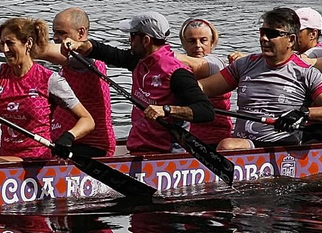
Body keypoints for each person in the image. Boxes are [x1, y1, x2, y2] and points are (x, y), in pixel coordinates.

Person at [0, 17, 93, 163]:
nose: (5, 49)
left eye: (10, 43)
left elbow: (87, 120)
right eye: (2, 44)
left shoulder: (50, 80)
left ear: (28, 43)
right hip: (8, 158)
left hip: (37, 158)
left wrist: (68, 137)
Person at [197, 7, 322, 149]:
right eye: (262, 32)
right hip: (244, 143)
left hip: (280, 145)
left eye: (272, 34)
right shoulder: (245, 64)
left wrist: (303, 113)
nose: (264, 38)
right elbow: (205, 87)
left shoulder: (305, 73)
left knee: (227, 145)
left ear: (291, 40)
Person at [59, 11, 214, 154]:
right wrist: (79, 45)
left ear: (145, 40)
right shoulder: (139, 61)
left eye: (132, 36)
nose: (129, 40)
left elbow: (206, 111)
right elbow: (106, 52)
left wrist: (166, 110)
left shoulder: (177, 73)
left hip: (166, 154)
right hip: (140, 150)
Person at [48, 7, 116, 155]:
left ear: (81, 33)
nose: (54, 38)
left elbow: (46, 52)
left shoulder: (85, 60)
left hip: (91, 148)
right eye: (54, 32)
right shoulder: (70, 62)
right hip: (67, 143)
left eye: (61, 33)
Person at [175, 17, 234, 145]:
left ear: (212, 43)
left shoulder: (216, 63)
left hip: (216, 139)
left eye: (203, 40)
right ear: (184, 44)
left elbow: (195, 66)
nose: (198, 46)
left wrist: (158, 56)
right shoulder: (179, 66)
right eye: (191, 41)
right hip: (186, 137)